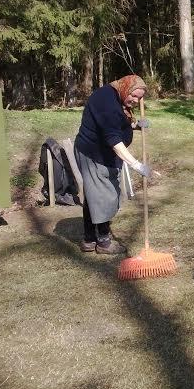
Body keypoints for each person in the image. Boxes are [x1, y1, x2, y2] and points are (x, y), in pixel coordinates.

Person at [74, 74, 153, 254]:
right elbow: (113, 139)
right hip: (94, 153)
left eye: (139, 98)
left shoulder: (117, 94)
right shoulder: (106, 102)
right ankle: (103, 242)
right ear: (126, 88)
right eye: (133, 96)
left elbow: (117, 124)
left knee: (94, 194)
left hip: (103, 152)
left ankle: (89, 239)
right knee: (105, 194)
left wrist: (135, 126)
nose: (135, 101)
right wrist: (136, 165)